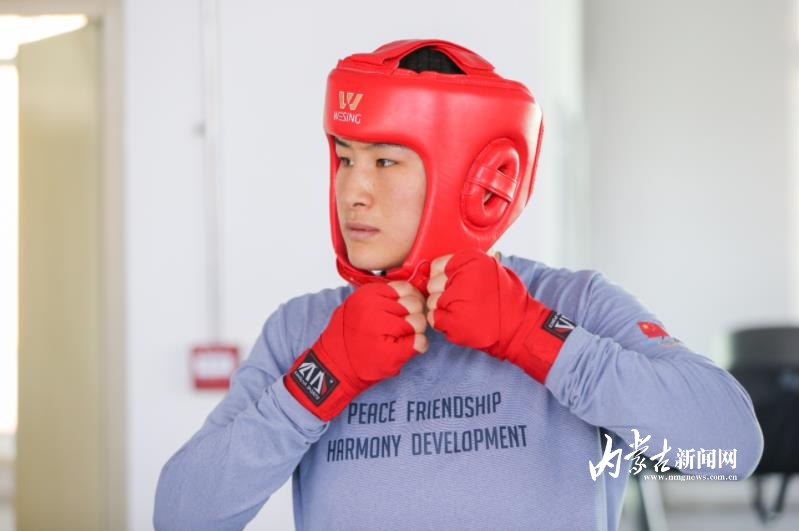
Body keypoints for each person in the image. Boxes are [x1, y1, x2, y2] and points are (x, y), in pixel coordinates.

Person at [153, 39, 763, 531]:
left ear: (477, 178)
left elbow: (731, 448)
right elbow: (181, 517)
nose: (352, 190)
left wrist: (535, 336)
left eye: (384, 161)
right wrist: (320, 377)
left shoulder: (572, 303)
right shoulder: (303, 329)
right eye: (344, 158)